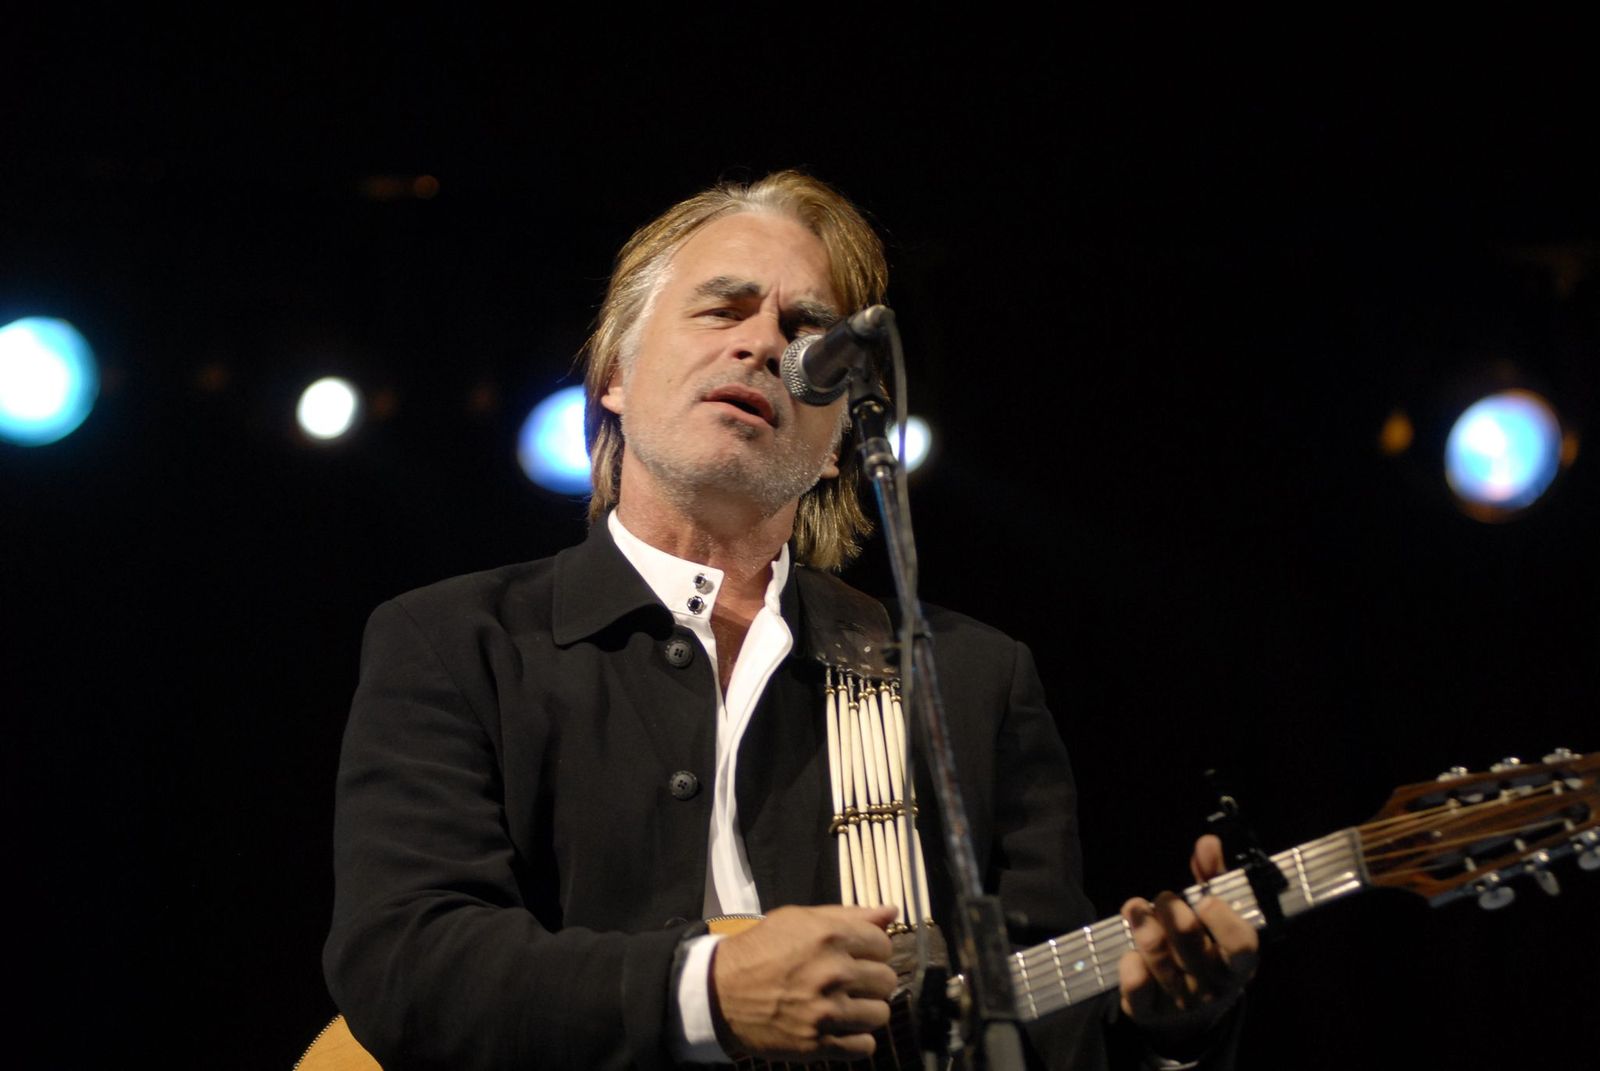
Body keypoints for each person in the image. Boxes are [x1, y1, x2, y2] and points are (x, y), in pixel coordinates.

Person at [324, 171, 1257, 1070]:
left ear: (841, 442)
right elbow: (405, 963)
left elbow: (1038, 1035)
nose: (765, 344)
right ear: (614, 373)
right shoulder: (456, 644)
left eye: (808, 330)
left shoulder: (969, 680)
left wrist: (1169, 1027)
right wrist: (709, 991)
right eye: (724, 308)